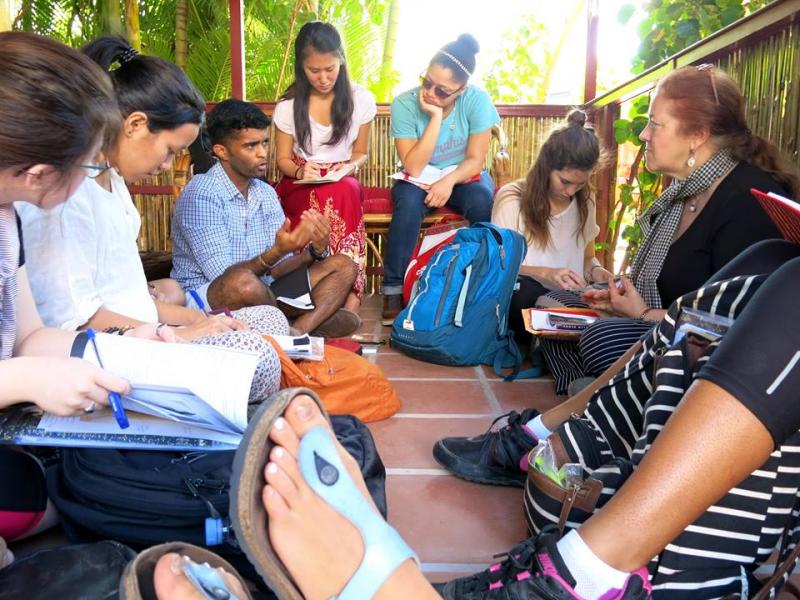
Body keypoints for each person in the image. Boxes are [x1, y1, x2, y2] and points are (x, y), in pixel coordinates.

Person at [17, 37, 286, 403]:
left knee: (270, 323)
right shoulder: (65, 194)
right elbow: (77, 322)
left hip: (143, 333)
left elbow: (129, 297)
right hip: (105, 346)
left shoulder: (111, 182)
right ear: (135, 124)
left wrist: (192, 322)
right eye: (169, 151)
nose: (165, 166)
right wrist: (177, 331)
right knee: (261, 361)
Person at [540, 65, 798, 394]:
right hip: (658, 324)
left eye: (655, 124)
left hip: (706, 350)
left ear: (697, 135)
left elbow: (732, 324)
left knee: (599, 340)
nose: (644, 134)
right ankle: (601, 392)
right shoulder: (684, 193)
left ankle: (604, 394)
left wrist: (643, 312)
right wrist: (618, 301)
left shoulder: (748, 201)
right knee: (553, 303)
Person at [0, 31, 135, 547]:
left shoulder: (8, 218)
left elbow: (30, 335)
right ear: (36, 173)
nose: (95, 176)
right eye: (91, 165)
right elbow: (26, 363)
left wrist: (127, 347)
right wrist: (25, 380)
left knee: (98, 472)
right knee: (78, 491)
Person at [171, 99, 361, 338]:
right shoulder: (201, 194)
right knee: (243, 283)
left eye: (264, 142)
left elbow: (279, 269)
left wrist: (314, 252)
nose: (262, 153)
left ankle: (296, 331)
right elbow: (225, 277)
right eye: (250, 146)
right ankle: (302, 319)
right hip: (209, 297)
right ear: (222, 151)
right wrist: (276, 251)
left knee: (343, 265)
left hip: (264, 290)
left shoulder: (265, 193)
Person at [381, 33, 500, 323]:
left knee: (482, 199)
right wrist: (435, 117)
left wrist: (448, 181)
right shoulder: (404, 104)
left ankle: (479, 287)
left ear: (462, 89)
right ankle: (394, 290)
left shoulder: (477, 101)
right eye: (427, 82)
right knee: (407, 203)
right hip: (418, 178)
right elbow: (415, 167)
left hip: (462, 176)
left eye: (442, 91)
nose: (431, 92)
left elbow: (475, 160)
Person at [273, 21, 376, 312]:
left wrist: (345, 167)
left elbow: (360, 153)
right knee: (338, 192)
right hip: (299, 180)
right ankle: (313, 290)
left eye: (330, 69)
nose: (323, 78)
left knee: (345, 188)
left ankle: (349, 293)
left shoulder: (361, 99)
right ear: (301, 68)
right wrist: (299, 171)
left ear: (341, 61)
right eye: (314, 71)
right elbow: (282, 159)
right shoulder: (288, 106)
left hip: (342, 177)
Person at [491, 109, 611, 351]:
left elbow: (587, 258)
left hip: (573, 299)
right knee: (527, 295)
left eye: (580, 183)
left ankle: (567, 340)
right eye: (565, 181)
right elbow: (497, 266)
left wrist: (601, 275)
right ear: (546, 166)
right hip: (524, 299)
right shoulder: (513, 198)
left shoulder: (585, 201)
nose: (571, 191)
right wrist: (548, 273)